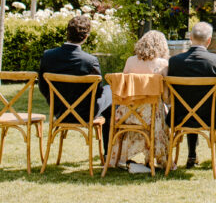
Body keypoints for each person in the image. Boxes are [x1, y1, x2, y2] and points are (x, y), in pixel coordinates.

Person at [38, 14, 113, 151]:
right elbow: (98, 92)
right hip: (85, 113)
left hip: (59, 111)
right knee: (111, 92)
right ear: (86, 37)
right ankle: (109, 153)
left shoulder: (48, 56)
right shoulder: (90, 61)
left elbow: (43, 87)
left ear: (67, 33)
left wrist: (56, 103)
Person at [166, 21, 216, 168]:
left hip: (181, 116)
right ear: (209, 41)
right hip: (211, 117)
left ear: (190, 38)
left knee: (190, 103)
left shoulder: (175, 62)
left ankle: (191, 156)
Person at [115, 30, 170, 172]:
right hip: (150, 116)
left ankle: (125, 160)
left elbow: (124, 88)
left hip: (127, 114)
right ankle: (159, 159)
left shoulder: (130, 61)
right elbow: (165, 96)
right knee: (161, 111)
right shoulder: (162, 63)